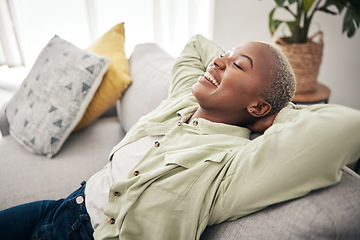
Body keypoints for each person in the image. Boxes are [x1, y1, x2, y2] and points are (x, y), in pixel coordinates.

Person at [1, 34, 360, 240]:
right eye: (225, 55)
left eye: (237, 65)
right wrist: (230, 62)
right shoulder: (182, 99)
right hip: (64, 206)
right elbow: (196, 46)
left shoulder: (233, 166)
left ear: (258, 107)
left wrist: (278, 112)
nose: (218, 62)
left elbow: (344, 127)